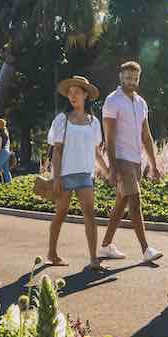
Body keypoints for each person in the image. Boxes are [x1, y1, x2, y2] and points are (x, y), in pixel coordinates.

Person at [98, 61, 164, 264]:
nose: (131, 81)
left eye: (135, 78)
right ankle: (146, 249)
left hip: (136, 160)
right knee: (135, 201)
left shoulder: (141, 103)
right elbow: (108, 136)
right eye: (128, 77)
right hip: (121, 158)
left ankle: (106, 245)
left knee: (122, 203)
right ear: (121, 77)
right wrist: (112, 167)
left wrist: (153, 164)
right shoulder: (112, 100)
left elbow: (146, 135)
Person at [44, 76, 110, 269]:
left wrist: (107, 171)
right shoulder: (62, 120)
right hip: (65, 175)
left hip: (85, 175)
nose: (73, 96)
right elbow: (56, 151)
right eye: (70, 92)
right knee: (60, 214)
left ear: (86, 95)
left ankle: (93, 259)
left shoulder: (93, 122)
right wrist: (56, 177)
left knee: (90, 214)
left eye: (77, 92)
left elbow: (96, 151)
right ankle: (52, 253)